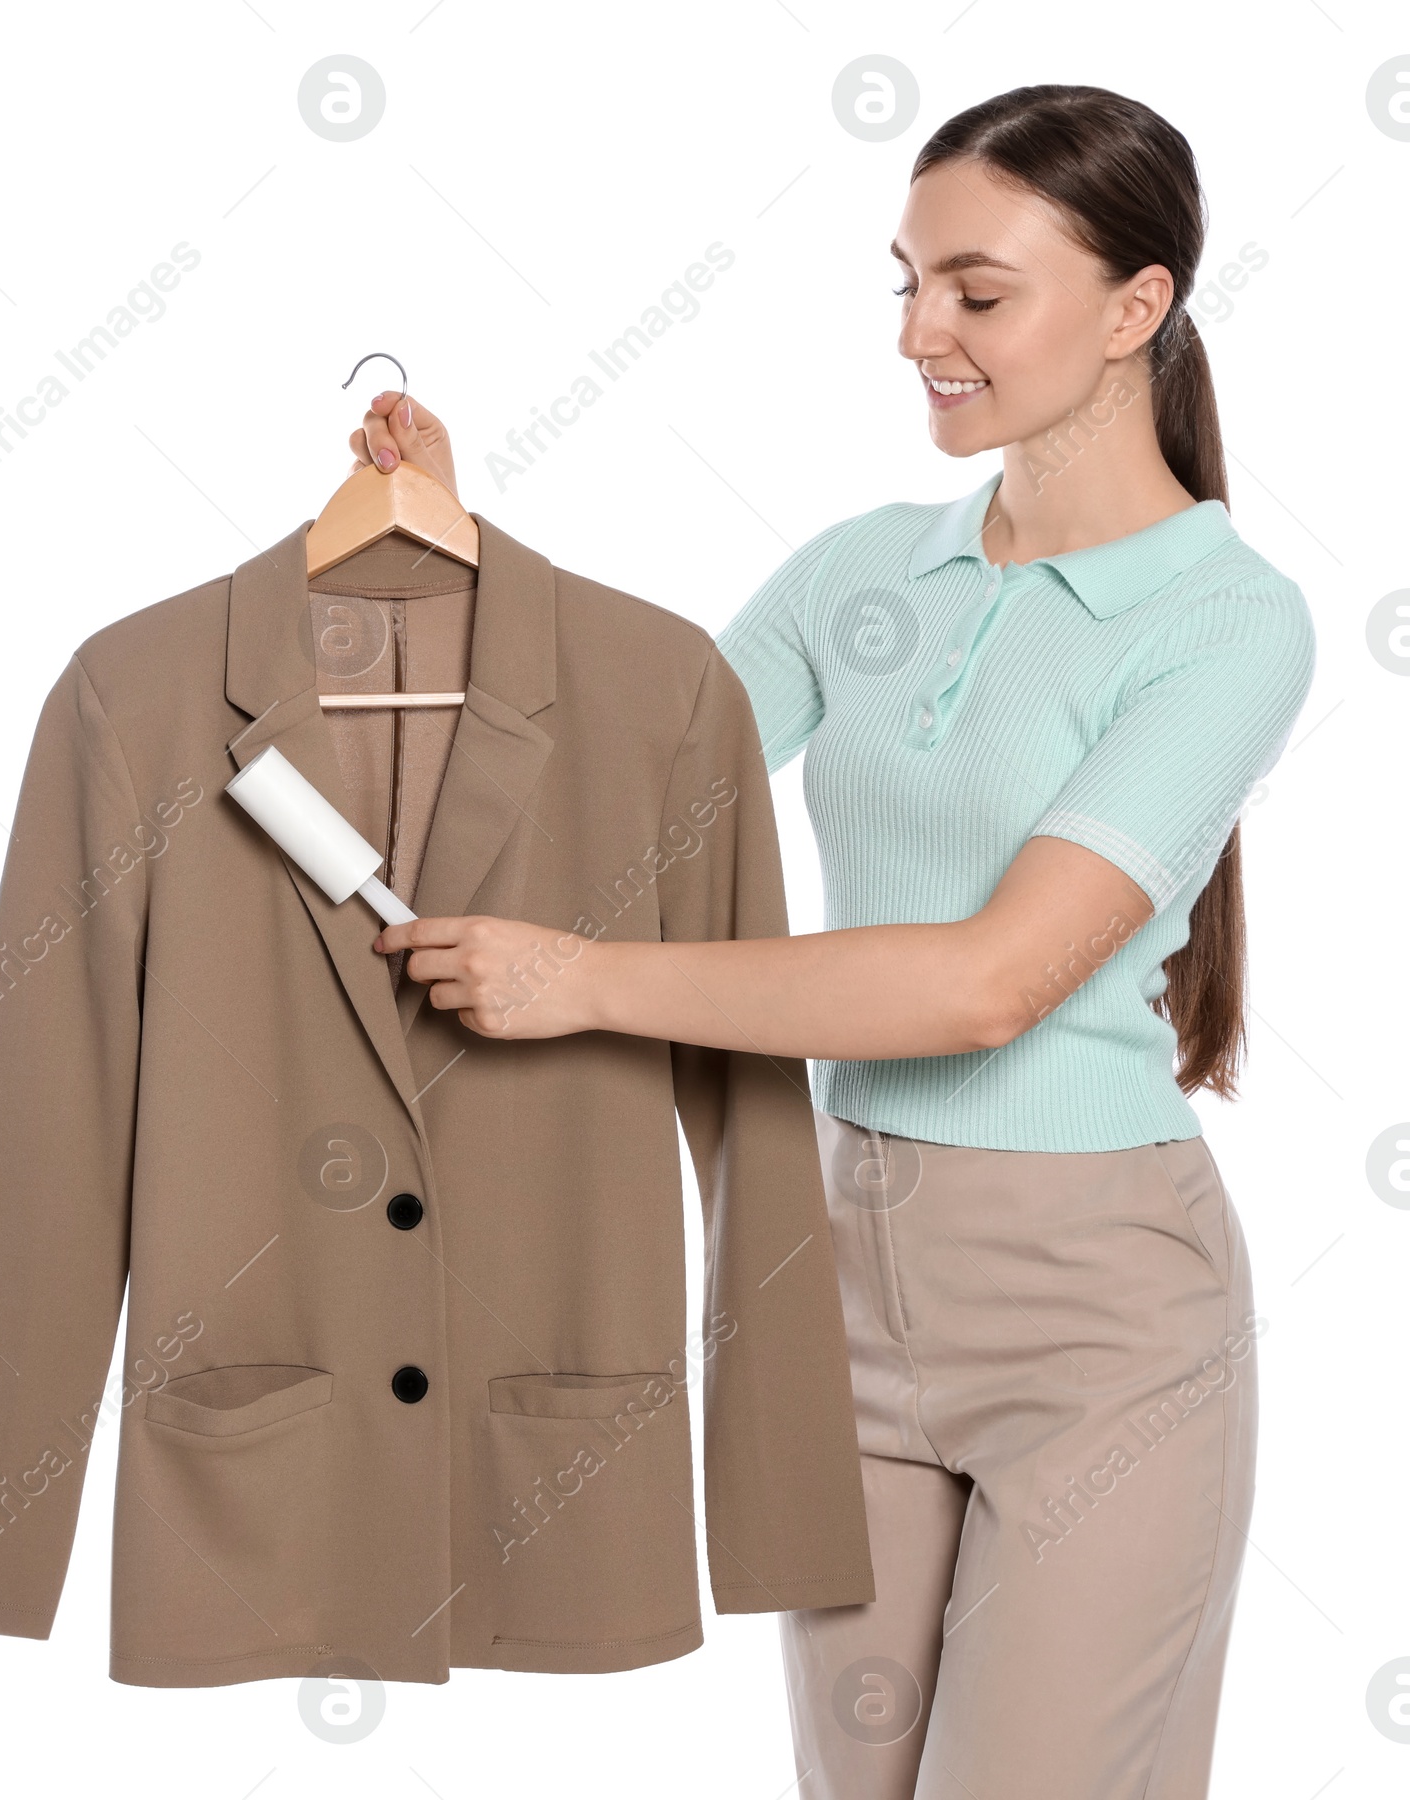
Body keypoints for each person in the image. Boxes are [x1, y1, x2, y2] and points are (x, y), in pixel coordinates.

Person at [353, 84, 1313, 1800]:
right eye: (903, 283)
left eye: (975, 290)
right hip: (823, 1277)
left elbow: (982, 982)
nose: (917, 334)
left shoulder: (1228, 619)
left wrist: (583, 989)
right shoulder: (864, 572)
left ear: (1136, 309)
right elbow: (618, 787)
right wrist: (461, 553)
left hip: (1096, 1315)